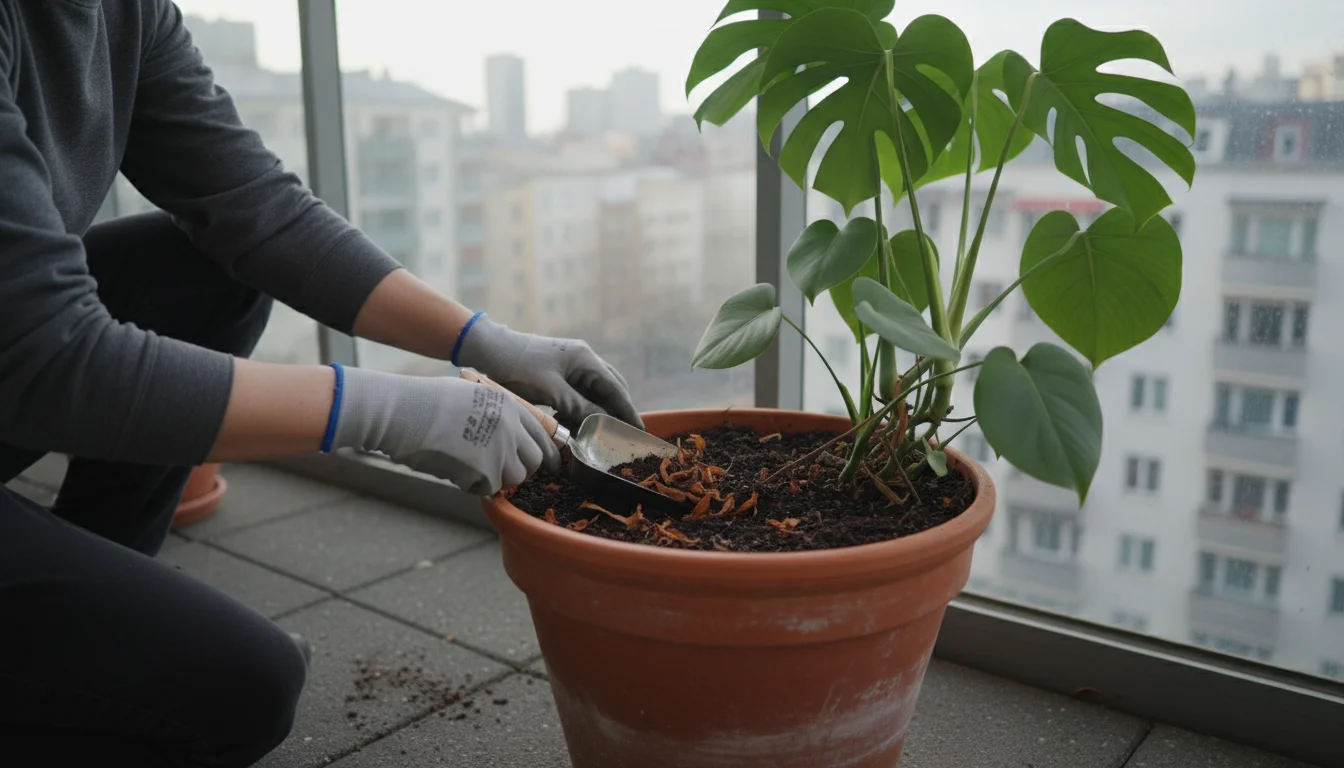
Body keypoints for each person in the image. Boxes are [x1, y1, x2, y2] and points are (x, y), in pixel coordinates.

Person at [0, 1, 641, 765]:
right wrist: (384, 413)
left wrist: (486, 342)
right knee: (239, 690)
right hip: (28, 368)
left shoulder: (126, 12)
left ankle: (96, 595)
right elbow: (51, 358)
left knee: (206, 277)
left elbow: (259, 212)